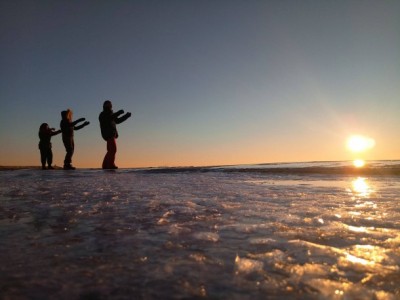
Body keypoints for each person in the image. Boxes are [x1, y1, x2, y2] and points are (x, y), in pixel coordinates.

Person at [99, 100, 131, 169]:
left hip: (111, 134)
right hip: (108, 134)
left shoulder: (111, 113)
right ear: (104, 106)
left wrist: (126, 116)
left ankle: (105, 165)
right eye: (108, 104)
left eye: (110, 104)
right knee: (113, 149)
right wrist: (118, 113)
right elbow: (109, 118)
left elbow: (117, 121)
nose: (110, 106)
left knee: (110, 150)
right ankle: (110, 164)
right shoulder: (103, 114)